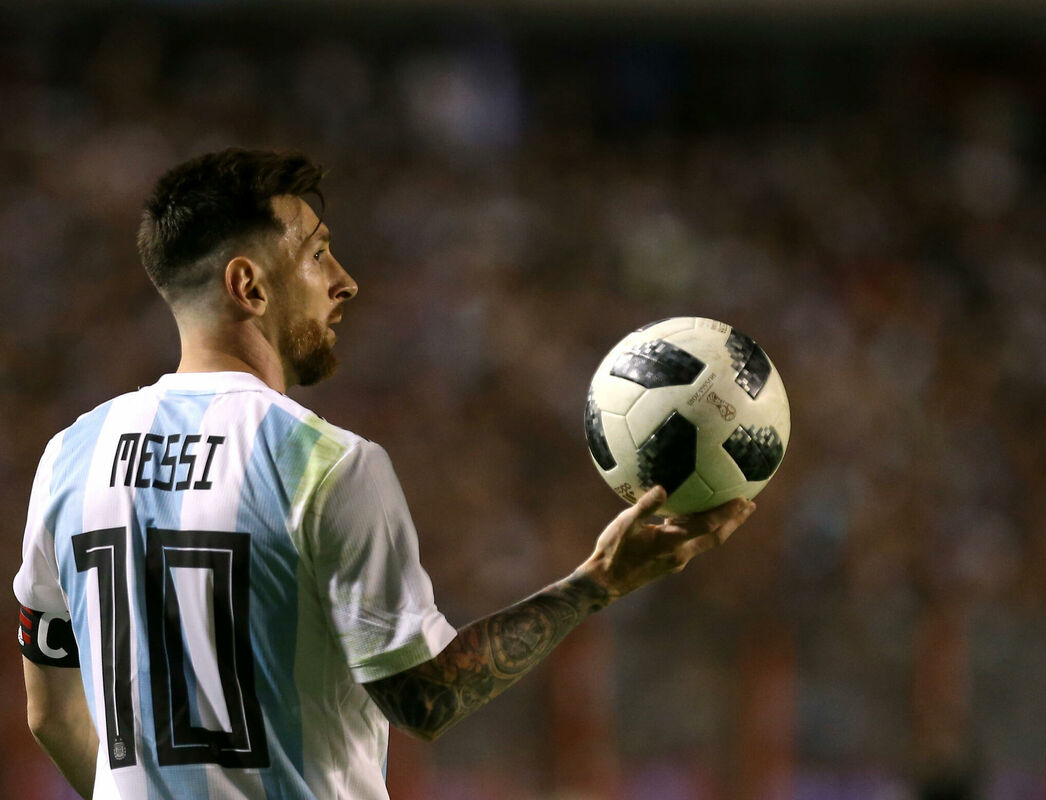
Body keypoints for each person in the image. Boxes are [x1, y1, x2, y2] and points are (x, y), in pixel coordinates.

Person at [14, 148, 755, 800]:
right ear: (249, 285)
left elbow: (49, 713)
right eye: (317, 254)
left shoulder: (70, 456)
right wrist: (598, 582)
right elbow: (426, 699)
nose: (345, 282)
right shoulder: (327, 465)